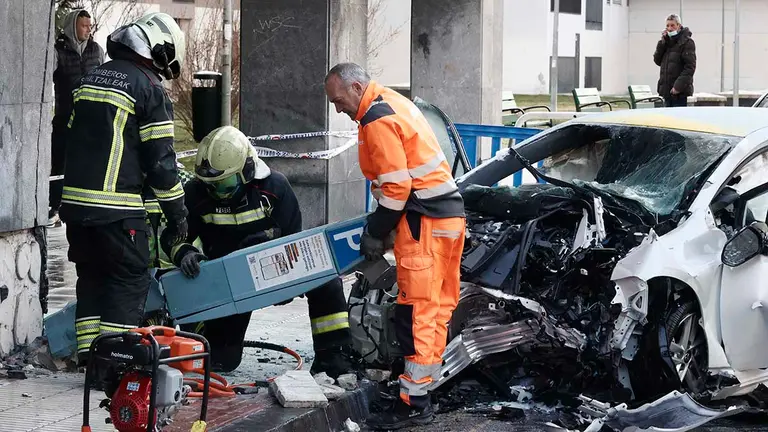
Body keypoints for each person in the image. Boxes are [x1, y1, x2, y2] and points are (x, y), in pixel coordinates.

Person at [325, 63, 466, 430]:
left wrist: (376, 231)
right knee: (434, 311)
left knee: (414, 314)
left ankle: (414, 403)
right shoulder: (395, 103)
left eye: (338, 100)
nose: (338, 109)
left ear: (357, 88)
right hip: (447, 220)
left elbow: (396, 188)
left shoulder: (377, 118)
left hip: (424, 223)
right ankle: (420, 391)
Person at [161, 126, 354, 375]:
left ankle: (333, 357)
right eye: (211, 185)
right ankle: (199, 331)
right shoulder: (196, 194)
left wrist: (268, 246)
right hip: (228, 285)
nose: (218, 193)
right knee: (222, 361)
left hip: (277, 273)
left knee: (326, 280)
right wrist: (185, 254)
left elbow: (294, 240)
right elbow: (172, 238)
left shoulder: (275, 188)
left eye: (225, 183)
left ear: (247, 170)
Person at [61, 12, 189, 364]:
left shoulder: (88, 80)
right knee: (128, 280)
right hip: (117, 211)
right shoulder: (147, 88)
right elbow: (162, 164)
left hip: (76, 208)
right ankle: (113, 363)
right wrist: (178, 215)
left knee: (92, 279)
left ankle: (89, 358)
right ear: (158, 49)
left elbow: (67, 138)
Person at [50, 9, 105, 226]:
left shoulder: (96, 50)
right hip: (65, 117)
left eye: (90, 26)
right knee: (61, 164)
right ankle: (55, 206)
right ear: (72, 27)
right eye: (84, 25)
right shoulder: (58, 51)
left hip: (91, 119)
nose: (88, 30)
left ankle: (90, 204)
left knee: (91, 162)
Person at [654, 13, 696, 108]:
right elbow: (657, 60)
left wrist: (678, 87)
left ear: (679, 26)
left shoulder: (686, 42)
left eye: (672, 25)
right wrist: (662, 42)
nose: (669, 28)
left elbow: (690, 67)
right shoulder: (666, 42)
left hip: (679, 92)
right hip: (666, 91)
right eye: (667, 26)